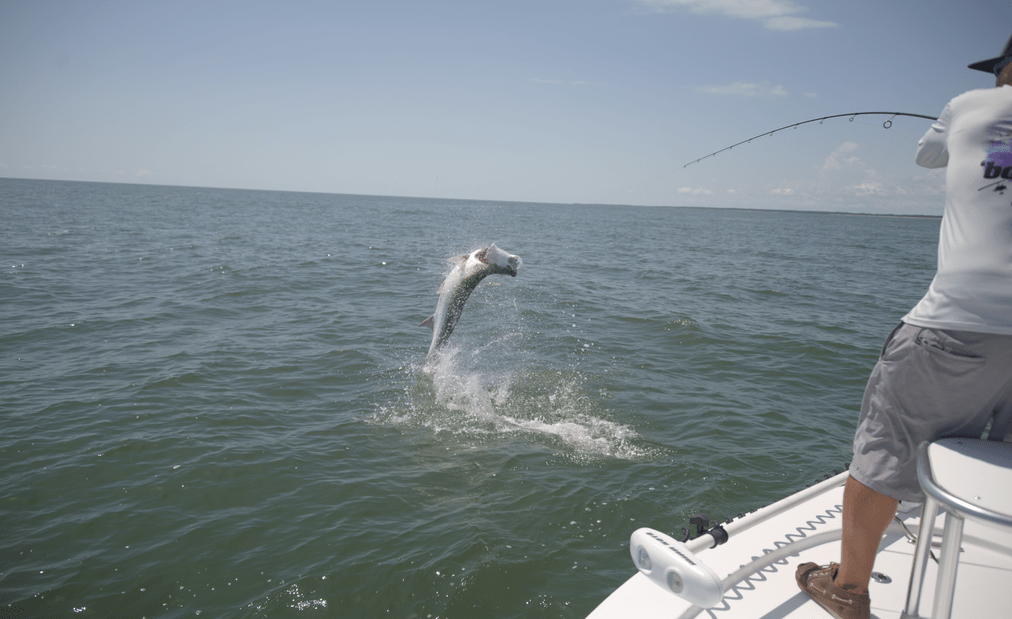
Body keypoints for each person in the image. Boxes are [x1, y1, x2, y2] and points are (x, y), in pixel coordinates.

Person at [796, 35, 1012, 619]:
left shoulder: (969, 105)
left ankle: (848, 589)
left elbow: (928, 156)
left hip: (959, 326)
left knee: (883, 455)